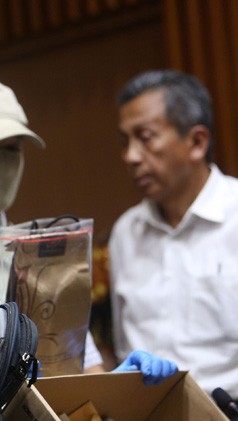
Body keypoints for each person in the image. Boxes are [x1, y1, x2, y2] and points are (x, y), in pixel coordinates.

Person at [0, 75, 178, 381]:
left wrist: (118, 384)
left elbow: (80, 376)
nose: (1, 162)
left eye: (12, 148)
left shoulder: (45, 257)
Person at [110, 69, 238, 397]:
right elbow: (124, 347)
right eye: (125, 142)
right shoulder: (125, 233)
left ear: (197, 142)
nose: (130, 157)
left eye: (145, 137)